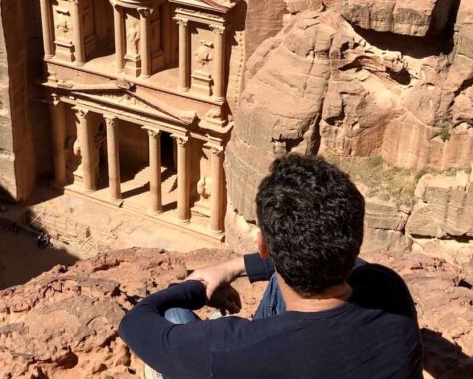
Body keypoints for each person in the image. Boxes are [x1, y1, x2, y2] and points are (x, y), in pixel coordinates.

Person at [119, 154, 423, 379]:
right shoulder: (389, 290)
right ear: (355, 238)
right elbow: (339, 259)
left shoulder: (228, 350)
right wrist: (232, 268)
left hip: (249, 359)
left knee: (174, 315)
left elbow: (135, 323)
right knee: (280, 282)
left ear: (262, 246)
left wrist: (197, 287)